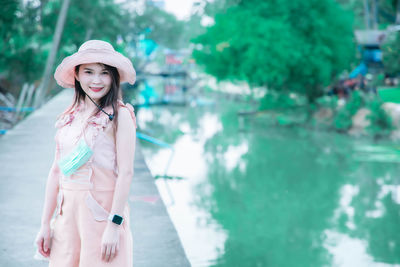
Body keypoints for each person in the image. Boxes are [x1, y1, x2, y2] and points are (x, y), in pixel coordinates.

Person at [34, 40, 137, 267]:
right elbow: (55, 173)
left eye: (104, 73)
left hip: (102, 216)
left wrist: (114, 224)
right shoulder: (69, 117)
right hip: (67, 218)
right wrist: (45, 224)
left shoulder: (121, 116)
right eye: (89, 72)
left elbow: (126, 173)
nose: (97, 80)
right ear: (77, 75)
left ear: (114, 77)